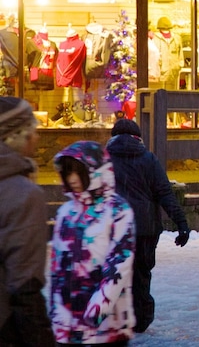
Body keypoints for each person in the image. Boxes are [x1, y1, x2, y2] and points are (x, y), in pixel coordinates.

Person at [106, 119, 190, 334]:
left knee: (115, 273)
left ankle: (116, 317)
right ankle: (141, 318)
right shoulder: (148, 159)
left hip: (114, 228)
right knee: (141, 273)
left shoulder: (104, 161)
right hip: (145, 228)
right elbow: (165, 192)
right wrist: (181, 222)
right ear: (138, 137)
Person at [50, 141, 136, 345]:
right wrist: (56, 312)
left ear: (96, 171)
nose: (72, 179)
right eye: (68, 173)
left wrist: (99, 308)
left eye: (79, 172)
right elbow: (57, 267)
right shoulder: (66, 212)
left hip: (106, 325)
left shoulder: (117, 210)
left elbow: (120, 261)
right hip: (67, 323)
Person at [0, 97, 54, 346]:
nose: (37, 137)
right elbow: (25, 284)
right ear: (15, 137)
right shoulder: (23, 194)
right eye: (32, 131)